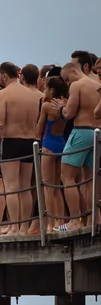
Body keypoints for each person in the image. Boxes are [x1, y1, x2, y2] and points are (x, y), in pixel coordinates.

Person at [0, 62, 43, 236]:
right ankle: (24, 227)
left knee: (11, 187)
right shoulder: (32, 95)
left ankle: (14, 227)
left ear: (4, 76)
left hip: (11, 141)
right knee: (26, 187)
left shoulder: (4, 94)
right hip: (29, 141)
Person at [51, 62, 101, 231]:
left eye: (66, 79)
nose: (67, 83)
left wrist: (62, 107)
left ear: (74, 71)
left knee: (67, 176)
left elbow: (69, 113)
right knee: (89, 179)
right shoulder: (97, 84)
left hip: (80, 131)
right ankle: (93, 218)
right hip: (96, 132)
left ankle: (74, 221)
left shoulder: (77, 85)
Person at [36, 77, 69, 232]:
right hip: (61, 143)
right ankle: (60, 221)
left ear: (50, 90)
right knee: (57, 187)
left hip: (48, 145)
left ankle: (50, 224)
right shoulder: (66, 105)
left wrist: (36, 141)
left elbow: (40, 127)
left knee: (48, 187)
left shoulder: (47, 106)